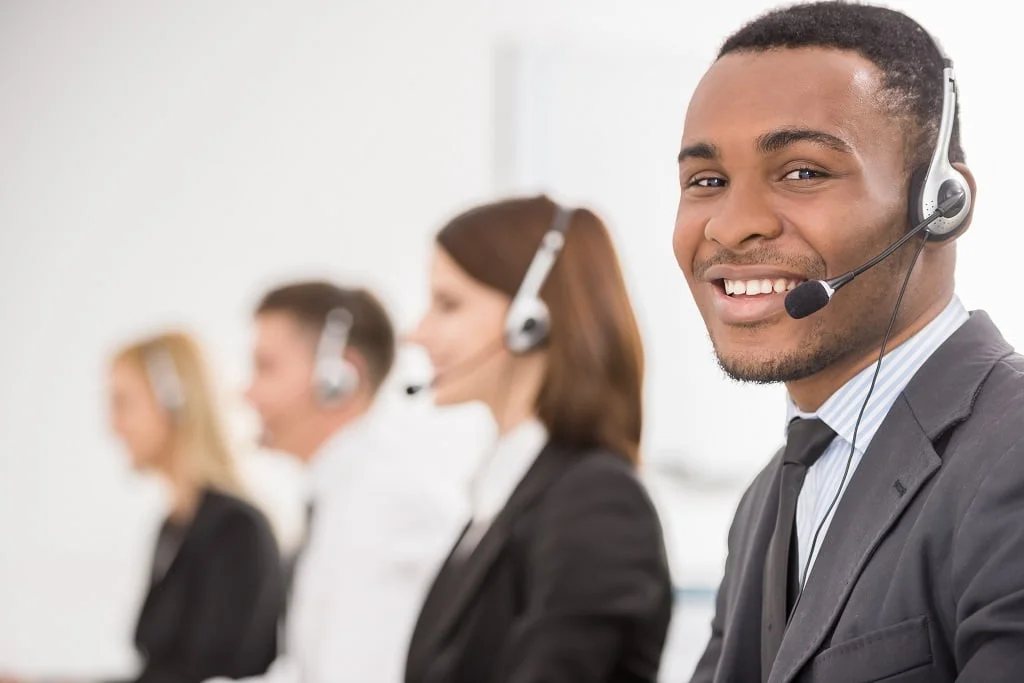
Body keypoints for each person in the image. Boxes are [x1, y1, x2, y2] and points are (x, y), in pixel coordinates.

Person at [674, 2, 1024, 681]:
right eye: (707, 182)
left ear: (939, 205)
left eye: (803, 171)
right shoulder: (765, 500)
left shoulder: (1010, 457)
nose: (730, 225)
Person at [403, 195, 674, 683]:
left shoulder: (596, 498)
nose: (417, 333)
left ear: (530, 318)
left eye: (448, 304)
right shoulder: (500, 500)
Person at [209, 281, 461, 683]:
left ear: (339, 378)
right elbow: (308, 672)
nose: (247, 392)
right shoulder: (345, 498)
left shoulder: (382, 508)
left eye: (266, 367)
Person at [111, 332, 283, 682]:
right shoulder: (173, 526)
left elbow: (207, 674)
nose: (114, 425)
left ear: (174, 404)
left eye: (123, 403)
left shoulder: (236, 530)